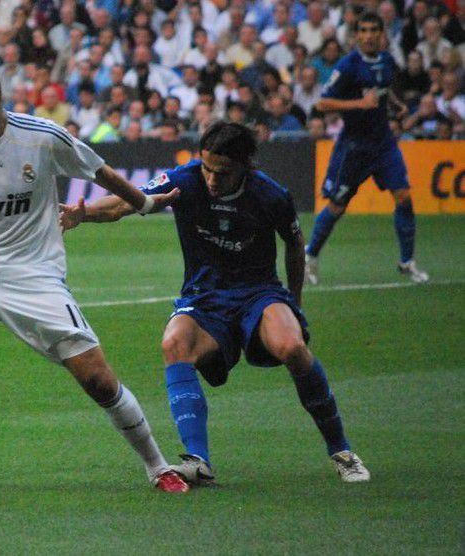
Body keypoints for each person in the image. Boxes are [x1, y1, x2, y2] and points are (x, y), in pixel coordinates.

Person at [0, 61, 189, 494]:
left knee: (98, 379)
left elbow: (99, 171)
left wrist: (142, 204)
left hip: (35, 277)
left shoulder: (43, 137)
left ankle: (157, 466)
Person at [60, 122, 371, 486]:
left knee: (292, 346)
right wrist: (84, 214)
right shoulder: (184, 179)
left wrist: (294, 304)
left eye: (221, 172)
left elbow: (293, 245)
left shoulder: (271, 195)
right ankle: (198, 461)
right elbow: (125, 202)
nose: (210, 178)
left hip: (259, 295)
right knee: (173, 343)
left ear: (245, 166)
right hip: (204, 298)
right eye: (206, 167)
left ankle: (342, 451)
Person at [304, 13, 429, 285]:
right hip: (353, 147)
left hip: (383, 144)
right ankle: (310, 256)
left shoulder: (386, 60)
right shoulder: (348, 65)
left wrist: (394, 105)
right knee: (337, 206)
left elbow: (382, 90)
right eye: (364, 30)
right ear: (357, 35)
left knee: (404, 196)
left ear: (382, 34)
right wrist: (359, 105)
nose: (369, 35)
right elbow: (323, 103)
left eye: (374, 30)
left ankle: (407, 261)